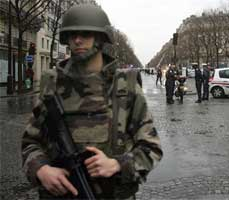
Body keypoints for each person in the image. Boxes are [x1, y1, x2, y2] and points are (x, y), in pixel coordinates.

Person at [21, 4, 162, 199]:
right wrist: (41, 170)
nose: (77, 40)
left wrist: (117, 165)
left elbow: (151, 147)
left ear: (101, 39)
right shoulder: (52, 84)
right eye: (72, 35)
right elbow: (30, 142)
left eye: (85, 34)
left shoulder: (125, 85)